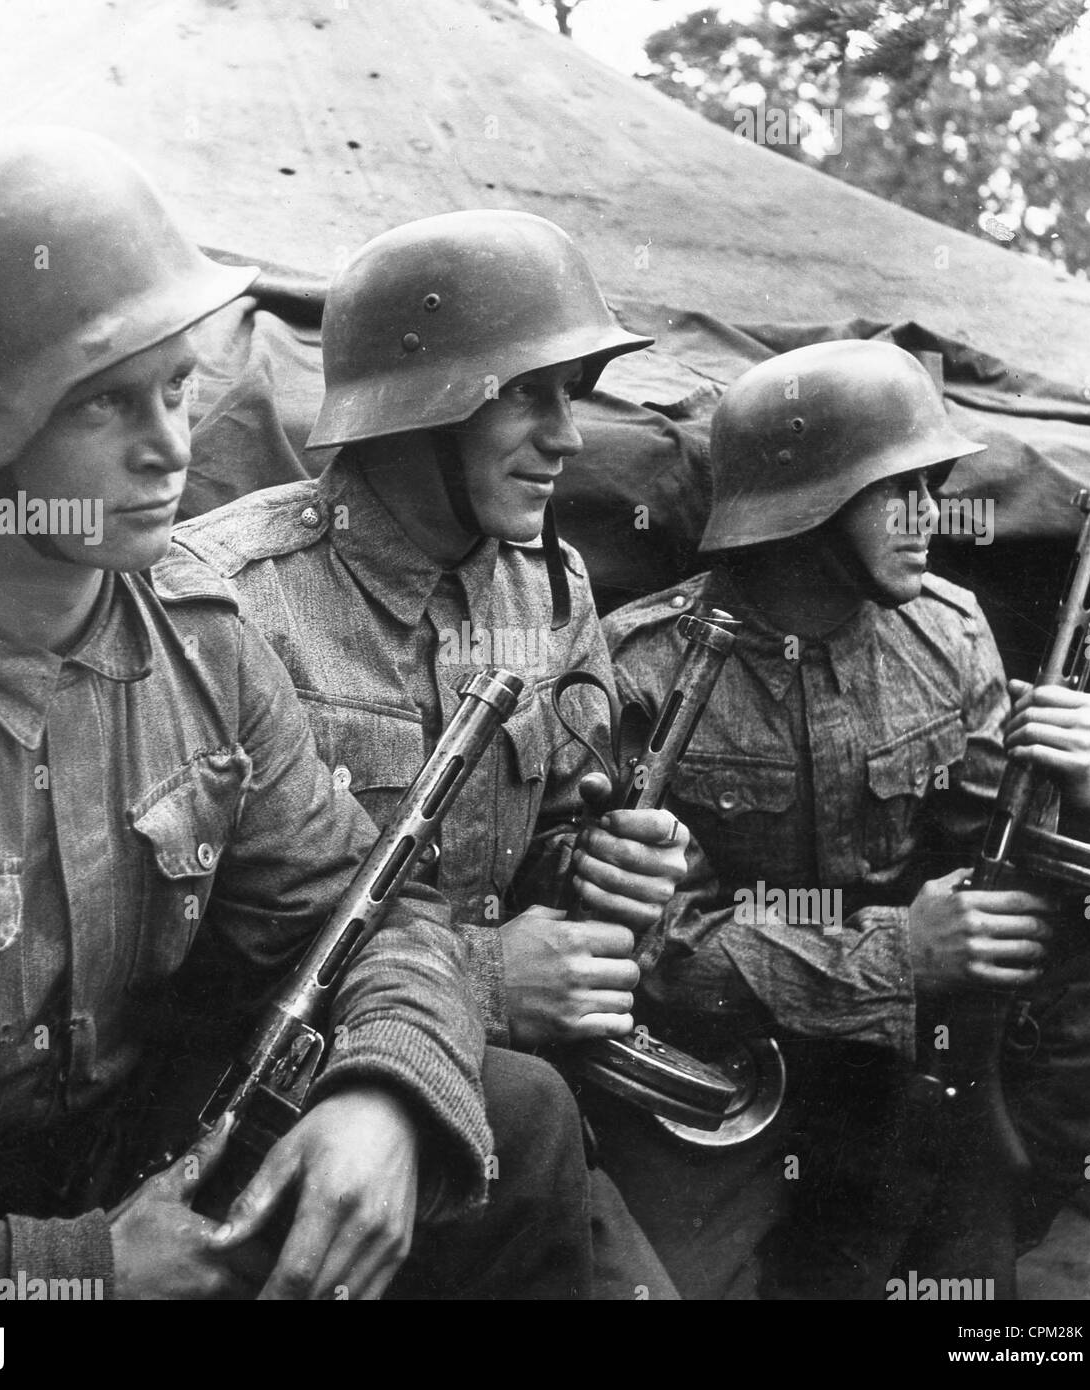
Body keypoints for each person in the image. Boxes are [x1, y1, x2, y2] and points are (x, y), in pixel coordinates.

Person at [0, 130, 614, 1301]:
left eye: (172, 388)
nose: (170, 446)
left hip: (132, 1161)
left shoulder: (204, 644)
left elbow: (367, 909)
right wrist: (71, 1273)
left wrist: (383, 1090)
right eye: (104, 406)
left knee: (516, 1117)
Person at [174, 209, 688, 1297]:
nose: (569, 436)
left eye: (573, 390)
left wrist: (601, 864)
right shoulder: (228, 600)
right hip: (271, 1124)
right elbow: (167, 976)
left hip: (499, 1115)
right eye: (525, 393)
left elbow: (549, 827)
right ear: (417, 406)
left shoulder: (549, 589)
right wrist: (487, 979)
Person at [602, 339, 1090, 1298]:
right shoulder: (642, 671)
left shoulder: (949, 630)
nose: (931, 516)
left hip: (910, 1082)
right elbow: (653, 948)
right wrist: (897, 955)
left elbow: (999, 858)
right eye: (900, 490)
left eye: (934, 485)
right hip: (730, 1082)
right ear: (804, 507)